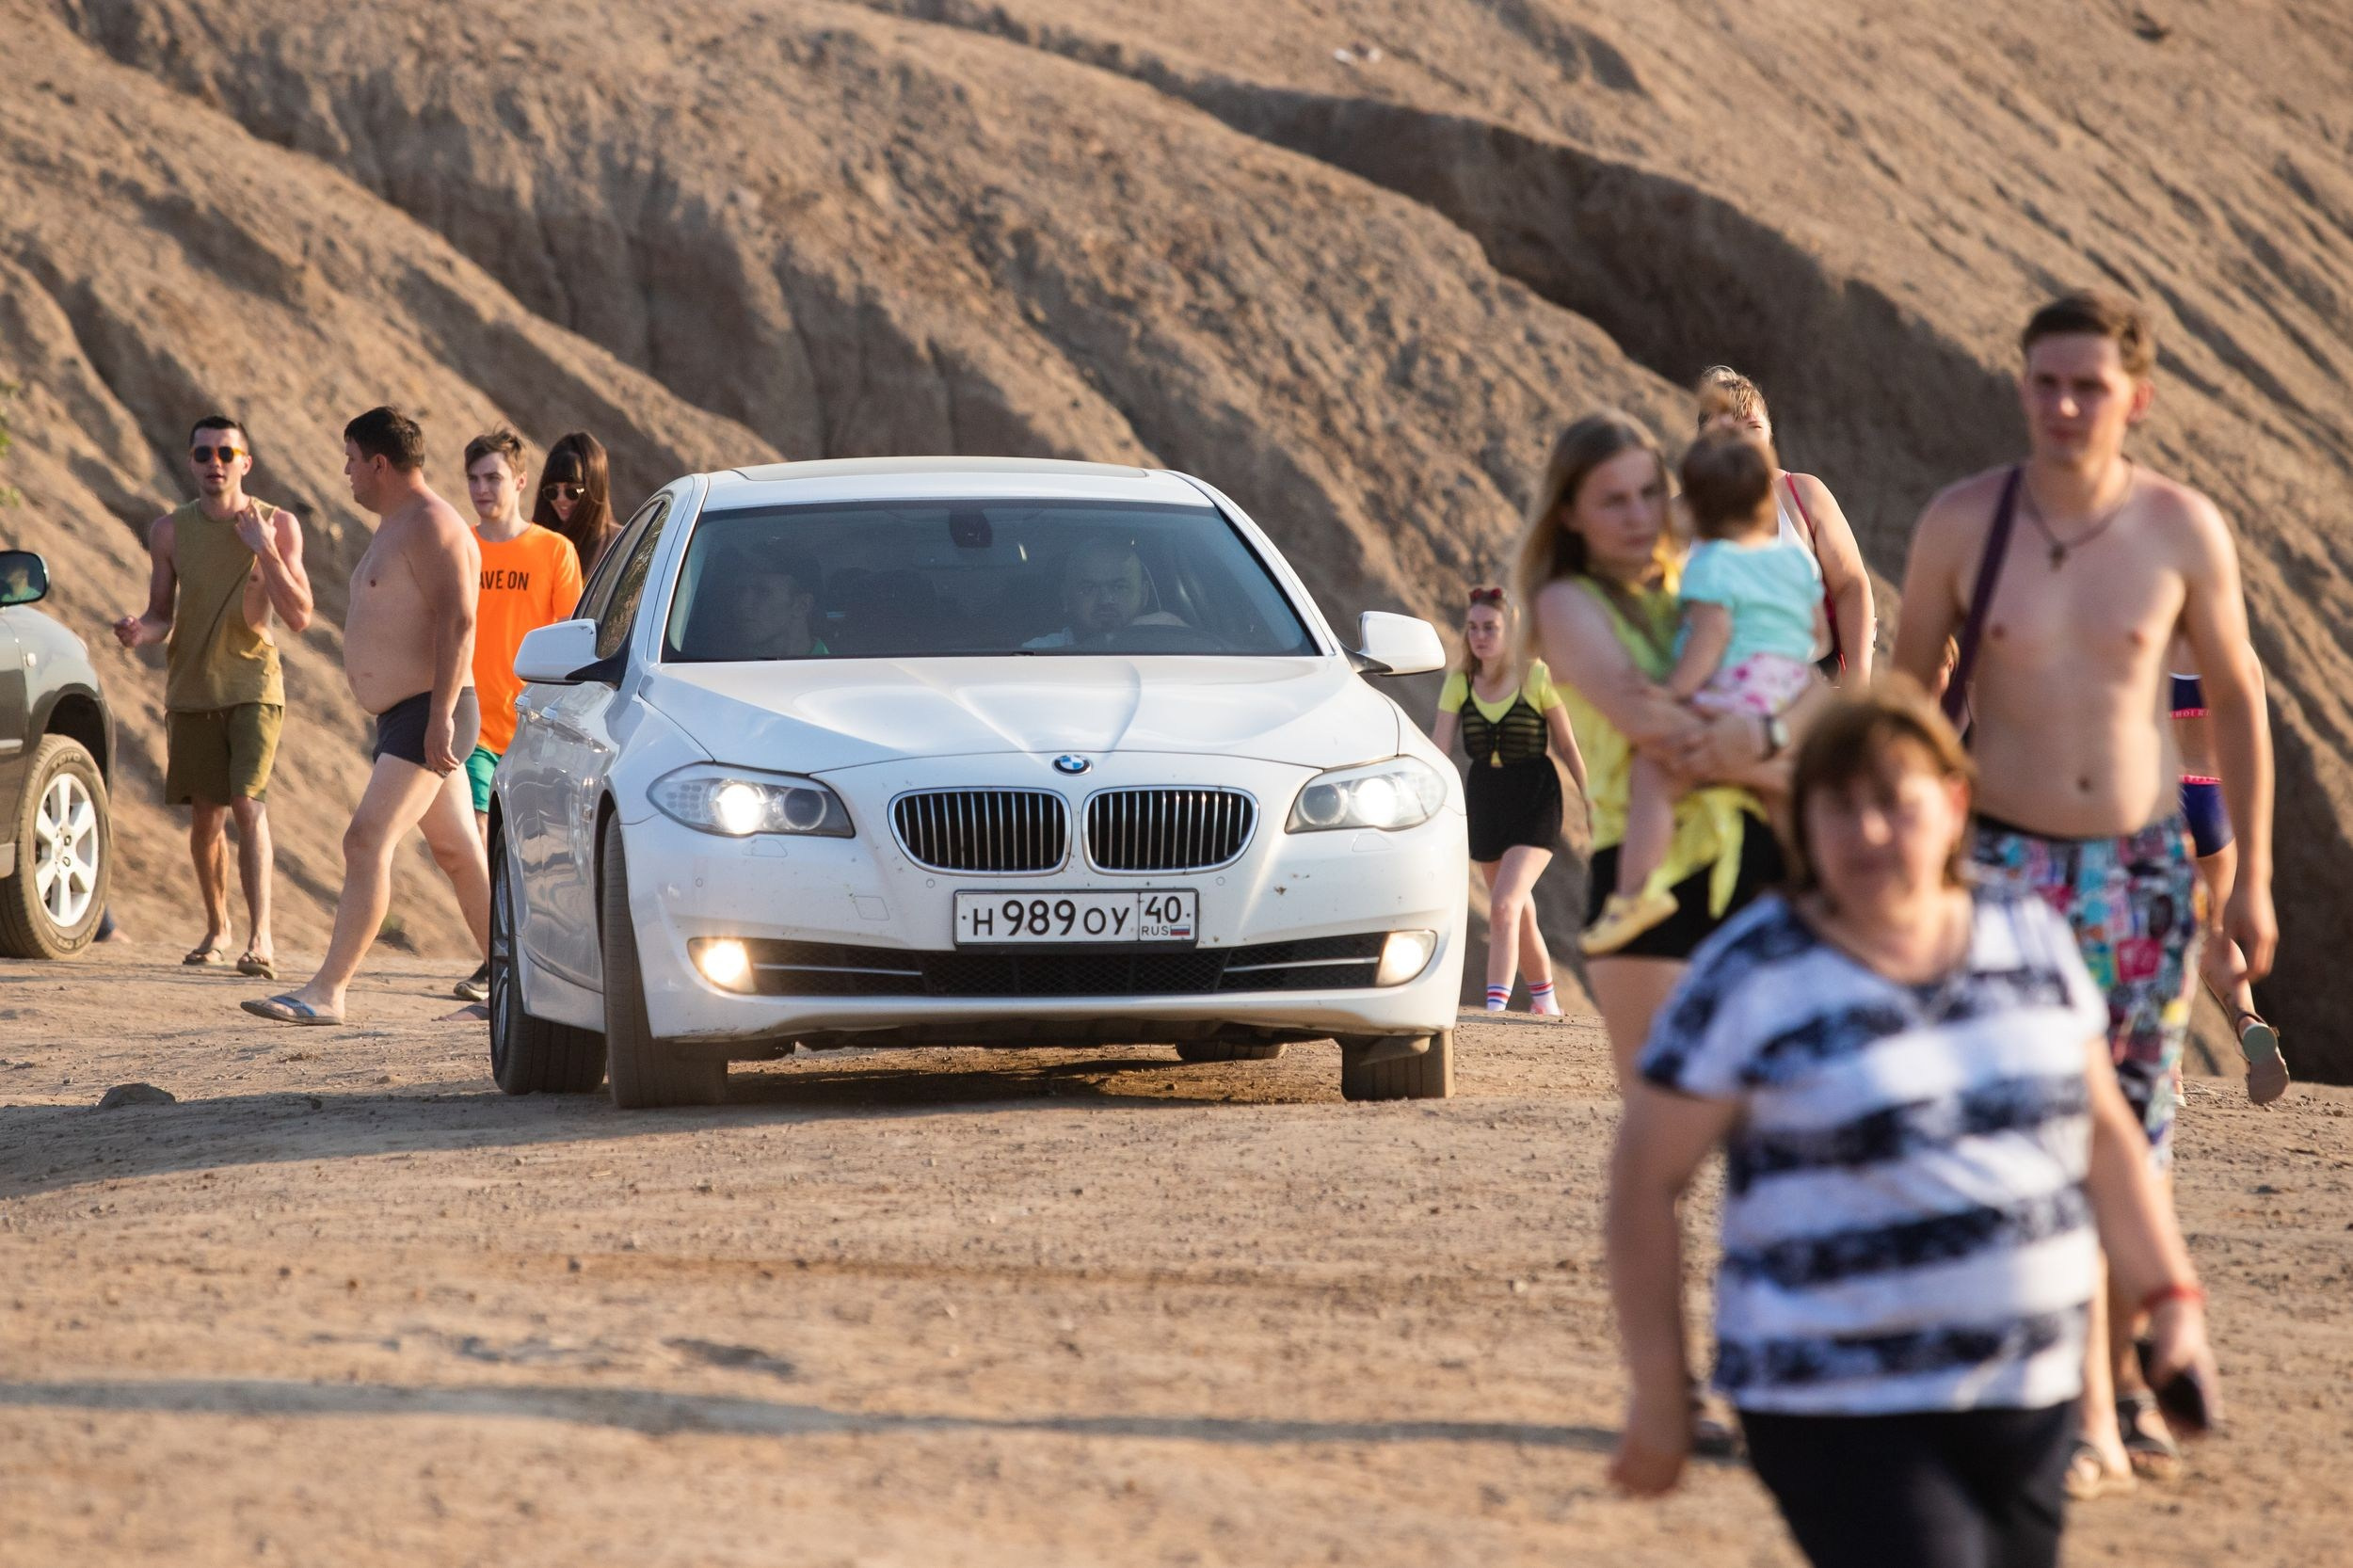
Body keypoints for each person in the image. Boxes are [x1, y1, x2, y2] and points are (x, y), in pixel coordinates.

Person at [1608, 682, 2219, 1568]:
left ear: (1956, 804)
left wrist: (2171, 1299)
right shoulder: (1752, 971)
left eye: (1895, 801)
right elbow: (1643, 1179)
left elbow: (2105, 1139)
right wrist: (1662, 1393)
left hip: (2027, 1397)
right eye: (1839, 806)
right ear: (1800, 822)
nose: (1868, 832)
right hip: (1837, 1402)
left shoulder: (2029, 935)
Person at [1892, 288, 2273, 1495]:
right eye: (2044, 382)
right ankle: (2034, 1387)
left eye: (2089, 386)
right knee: (2003, 1138)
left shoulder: (2178, 529)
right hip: (1998, 866)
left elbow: (2243, 702)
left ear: (2136, 398)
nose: (2063, 405)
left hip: (2140, 875)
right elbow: (1904, 704)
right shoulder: (1963, 525)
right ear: (2020, 386)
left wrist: (2251, 875)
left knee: (2130, 1138)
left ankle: (2107, 1405)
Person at [1521, 412, 1818, 1085]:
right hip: (1647, 879)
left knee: (1779, 1122)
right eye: (1613, 500)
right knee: (1664, 1129)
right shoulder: (1568, 605)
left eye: (1648, 494)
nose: (1637, 516)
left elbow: (1812, 693)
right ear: (1569, 515)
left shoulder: (1702, 579)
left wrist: (1770, 735)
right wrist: (1783, 750)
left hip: (1755, 858)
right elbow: (1662, 731)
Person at [243, 408, 488, 1025]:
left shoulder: (434, 523)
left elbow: (459, 620)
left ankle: (328, 992)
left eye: (351, 458)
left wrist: (438, 720)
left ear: (379, 462)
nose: (345, 471)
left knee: (365, 840)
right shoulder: (398, 524)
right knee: (460, 854)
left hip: (433, 709)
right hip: (412, 713)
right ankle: (522, 986)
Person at [1584, 430, 1823, 954]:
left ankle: (1633, 894)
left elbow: (1710, 638)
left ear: (1694, 508)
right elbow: (1808, 628)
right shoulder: (1795, 562)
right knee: (1778, 798)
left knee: (1653, 774)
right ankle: (1808, 891)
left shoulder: (1712, 563)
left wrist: (1674, 691)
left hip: (1738, 689)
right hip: (1788, 684)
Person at [111, 414, 313, 980]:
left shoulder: (279, 524)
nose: (214, 463)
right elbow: (160, 616)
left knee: (248, 803)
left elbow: (299, 616)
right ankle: (217, 927)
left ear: (246, 462)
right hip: (192, 689)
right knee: (206, 819)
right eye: (203, 454)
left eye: (226, 453)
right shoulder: (169, 532)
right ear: (191, 462)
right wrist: (137, 631)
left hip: (254, 686)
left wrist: (264, 549)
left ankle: (261, 939)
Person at [447, 426, 583, 1004]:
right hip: (472, 722)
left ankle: (536, 956)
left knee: (536, 852)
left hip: (533, 726)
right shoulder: (458, 546)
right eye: (474, 479)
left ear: (520, 481)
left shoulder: (553, 551)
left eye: (493, 477)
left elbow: (573, 639)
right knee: (477, 840)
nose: (482, 488)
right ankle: (494, 955)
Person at [1430, 585, 1583, 1016]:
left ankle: (1495, 1008)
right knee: (1519, 909)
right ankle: (1545, 1001)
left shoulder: (1535, 675)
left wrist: (1592, 800)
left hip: (1535, 796)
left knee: (1504, 904)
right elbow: (1438, 747)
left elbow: (1568, 746)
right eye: (1473, 627)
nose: (1480, 636)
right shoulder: (1459, 682)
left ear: (1510, 631)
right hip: (1486, 797)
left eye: (1490, 627)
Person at [1691, 366, 1875, 682]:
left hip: (1810, 684)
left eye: (1754, 427)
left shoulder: (1803, 494)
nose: (1743, 440)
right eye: (1728, 428)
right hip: (1715, 691)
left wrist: (1858, 686)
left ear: (1770, 434)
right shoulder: (1677, 515)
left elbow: (1851, 585)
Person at [2168, 643, 2288, 1105]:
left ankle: (2168, 1067)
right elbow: (2256, 746)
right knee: (2213, 933)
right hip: (2213, 803)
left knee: (2161, 936)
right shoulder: (2235, 653)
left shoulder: (2146, 635)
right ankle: (2247, 1019)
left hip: (2161, 797)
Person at [1022, 540, 1184, 648]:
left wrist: (1180, 633)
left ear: (1144, 594)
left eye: (1119, 587)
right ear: (1066, 598)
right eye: (1089, 588)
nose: (1106, 600)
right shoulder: (1034, 657)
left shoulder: (1175, 645)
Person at [533, 431, 618, 577]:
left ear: (595, 487)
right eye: (551, 492)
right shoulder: (535, 542)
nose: (560, 499)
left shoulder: (620, 545)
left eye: (572, 491)